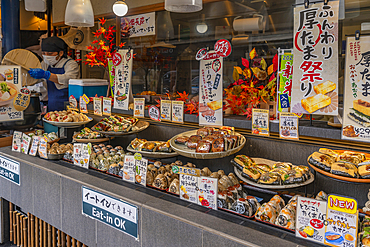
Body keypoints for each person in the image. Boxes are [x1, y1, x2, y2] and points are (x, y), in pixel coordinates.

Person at [29, 36, 79, 111]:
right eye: (44, 53)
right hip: (51, 103)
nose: (46, 56)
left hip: (68, 105)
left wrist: (47, 75)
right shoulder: (45, 63)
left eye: (50, 53)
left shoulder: (71, 64)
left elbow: (68, 79)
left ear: (61, 53)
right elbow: (39, 79)